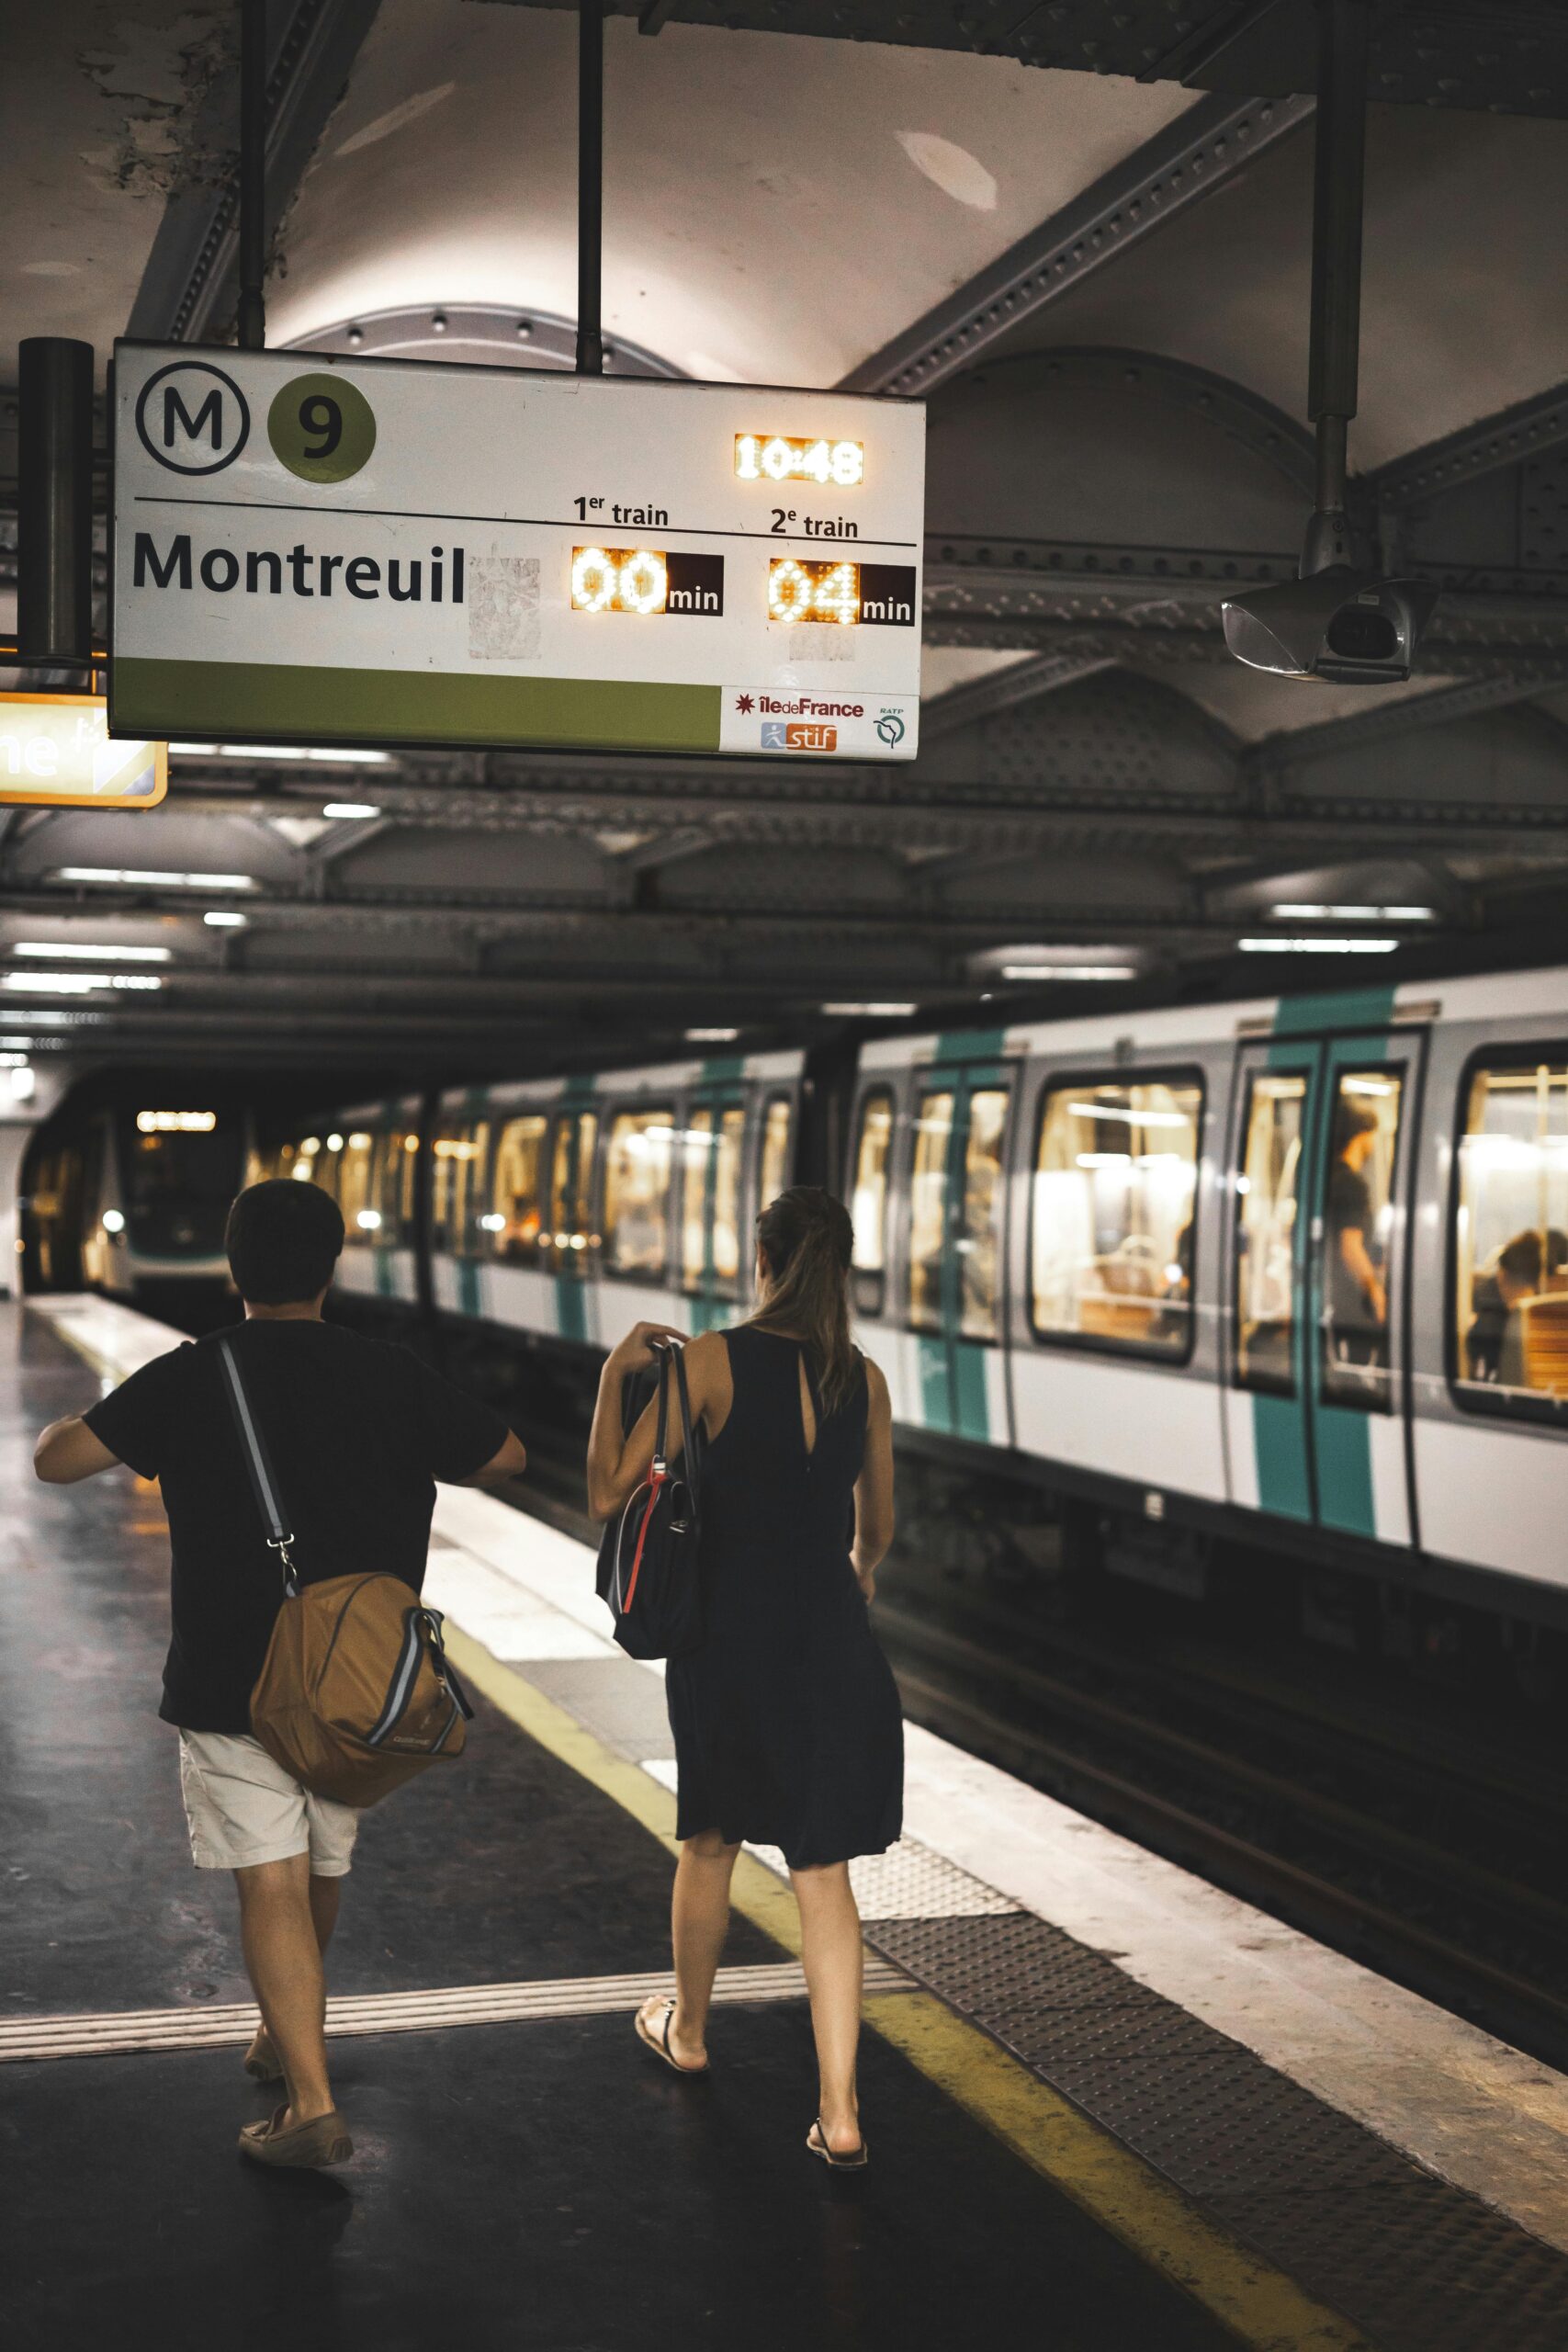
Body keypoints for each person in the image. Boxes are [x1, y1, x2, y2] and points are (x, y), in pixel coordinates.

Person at [33, 1179, 527, 2169]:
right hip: (363, 1681)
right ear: (333, 1264)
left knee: (269, 1882)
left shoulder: (194, 1373)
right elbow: (507, 1455)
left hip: (234, 1680)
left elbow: (57, 1460)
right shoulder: (389, 1370)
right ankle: (281, 2034)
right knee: (321, 1864)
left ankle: (310, 2103)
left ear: (233, 1268)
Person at [586, 1185, 900, 2171]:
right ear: (839, 1271)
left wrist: (612, 1376)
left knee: (711, 1839)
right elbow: (875, 1531)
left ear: (760, 1260)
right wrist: (854, 1580)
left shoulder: (711, 1362)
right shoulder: (865, 1379)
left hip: (726, 1643)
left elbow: (607, 1491)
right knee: (822, 1873)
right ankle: (841, 2113)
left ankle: (687, 2032)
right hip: (834, 1646)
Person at [1325, 1101, 1388, 1369]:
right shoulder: (1353, 1183)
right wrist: (1374, 1289)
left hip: (1333, 1298)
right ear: (1361, 1136)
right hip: (1353, 1305)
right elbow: (1350, 1246)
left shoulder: (1329, 1178)